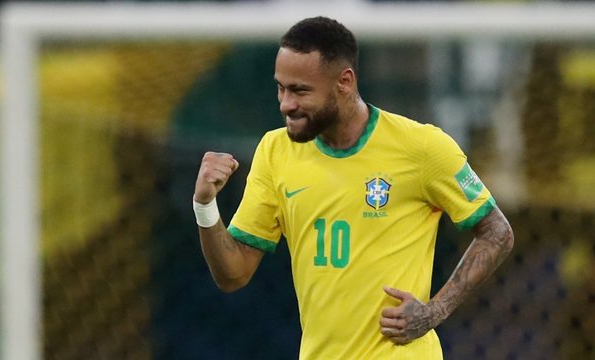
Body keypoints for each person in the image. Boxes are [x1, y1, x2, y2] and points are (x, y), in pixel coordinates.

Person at [192, 16, 514, 360]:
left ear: (344, 82)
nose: (285, 103)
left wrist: (435, 311)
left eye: (300, 90)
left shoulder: (422, 148)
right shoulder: (275, 152)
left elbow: (497, 232)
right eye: (280, 88)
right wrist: (205, 205)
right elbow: (233, 275)